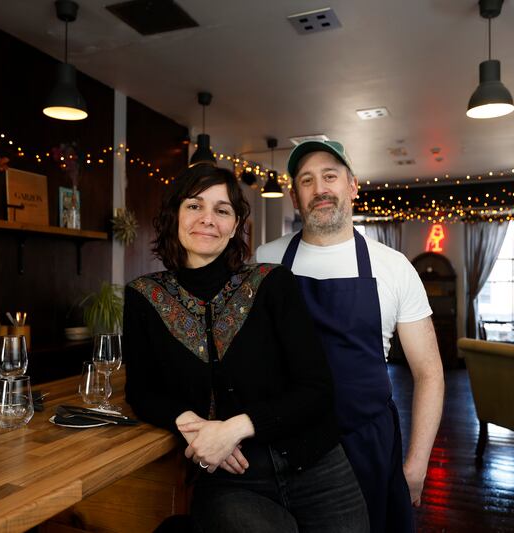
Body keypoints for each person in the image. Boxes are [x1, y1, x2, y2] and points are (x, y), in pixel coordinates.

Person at [123, 164, 369, 533]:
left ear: (235, 225)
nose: (208, 219)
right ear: (174, 214)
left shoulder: (272, 284)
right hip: (231, 480)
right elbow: (142, 392)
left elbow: (317, 389)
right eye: (195, 206)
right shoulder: (144, 295)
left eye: (222, 210)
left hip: (319, 468)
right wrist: (194, 426)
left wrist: (233, 428)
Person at [256, 140, 445, 532]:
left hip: (366, 448)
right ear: (294, 195)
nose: (320, 188)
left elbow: (429, 373)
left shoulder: (393, 267)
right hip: (284, 448)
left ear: (353, 186)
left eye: (330, 176)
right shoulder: (264, 260)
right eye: (306, 180)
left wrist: (417, 463)